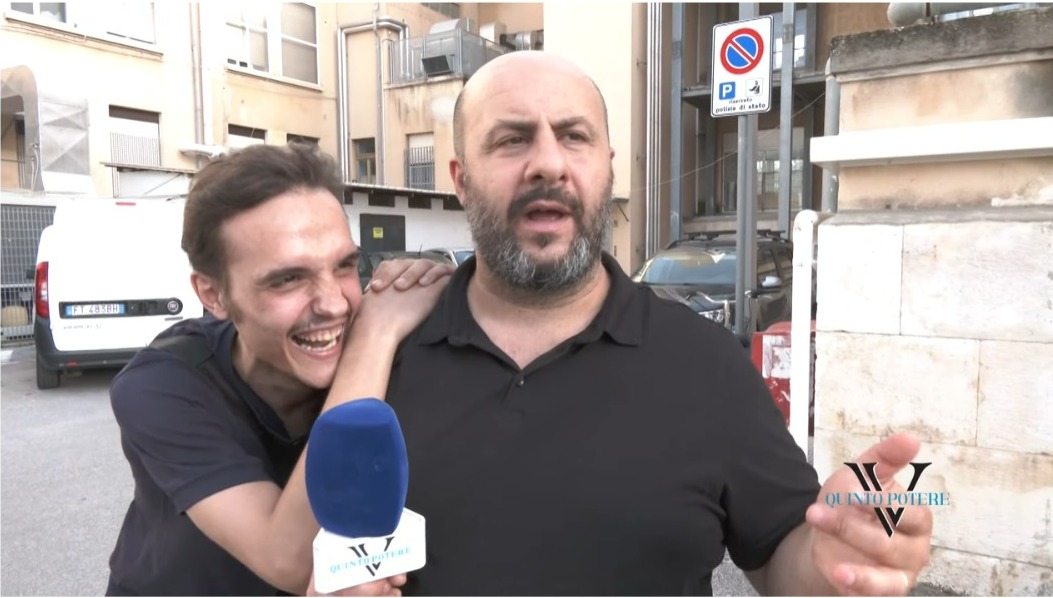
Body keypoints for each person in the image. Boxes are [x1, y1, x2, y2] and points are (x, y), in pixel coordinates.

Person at [377, 51, 934, 596]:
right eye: (511, 140)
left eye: (574, 136)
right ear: (461, 179)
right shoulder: (385, 360)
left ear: (608, 167)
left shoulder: (705, 362)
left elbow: (782, 556)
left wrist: (832, 556)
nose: (548, 163)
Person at [106, 143, 453, 596]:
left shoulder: (397, 355)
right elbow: (291, 560)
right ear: (213, 295)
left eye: (345, 266)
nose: (334, 304)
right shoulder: (161, 385)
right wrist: (374, 336)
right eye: (288, 279)